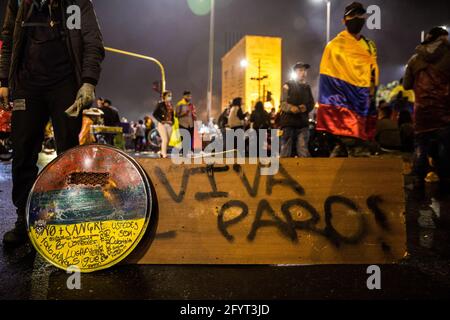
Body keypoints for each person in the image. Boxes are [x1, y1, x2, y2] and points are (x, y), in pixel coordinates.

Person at [0, 0, 104, 246]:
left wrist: (88, 81)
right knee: (23, 152)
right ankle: (25, 219)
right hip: (27, 86)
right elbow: (7, 39)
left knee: (69, 153)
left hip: (65, 85)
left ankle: (70, 217)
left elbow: (92, 41)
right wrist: (3, 80)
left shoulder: (77, 3)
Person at [316, 2, 379, 157]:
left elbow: (373, 71)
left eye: (360, 15)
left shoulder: (369, 45)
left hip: (362, 101)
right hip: (342, 102)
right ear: (344, 21)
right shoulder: (334, 46)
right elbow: (328, 77)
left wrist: (371, 91)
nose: (356, 18)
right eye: (352, 15)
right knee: (352, 142)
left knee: (346, 145)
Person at [403, 26, 450, 189]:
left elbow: (406, 84)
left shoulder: (415, 59)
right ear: (443, 38)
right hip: (443, 111)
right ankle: (445, 179)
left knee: (420, 145)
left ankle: (417, 178)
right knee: (445, 145)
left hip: (422, 112)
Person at [279, 62, 315, 158]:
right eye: (300, 70)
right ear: (295, 72)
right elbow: (282, 103)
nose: (303, 73)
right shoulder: (288, 85)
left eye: (304, 70)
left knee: (303, 150)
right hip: (288, 124)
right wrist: (291, 108)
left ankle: (306, 172)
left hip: (303, 124)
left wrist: (306, 107)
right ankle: (282, 172)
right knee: (285, 151)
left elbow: (312, 103)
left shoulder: (307, 87)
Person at [153, 91, 174, 158]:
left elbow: (172, 115)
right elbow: (154, 114)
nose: (170, 97)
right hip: (162, 124)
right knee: (165, 139)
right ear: (164, 96)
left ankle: (162, 152)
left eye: (170, 95)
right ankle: (164, 154)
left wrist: (172, 121)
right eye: (168, 95)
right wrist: (161, 120)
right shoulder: (160, 104)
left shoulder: (171, 105)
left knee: (168, 140)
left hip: (169, 124)